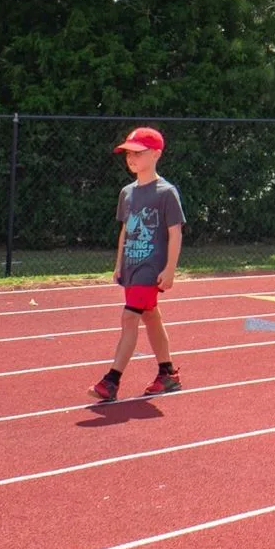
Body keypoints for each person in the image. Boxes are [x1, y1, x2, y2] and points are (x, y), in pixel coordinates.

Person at [90, 127, 185, 401]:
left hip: (150, 268)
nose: (131, 158)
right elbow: (125, 231)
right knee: (150, 316)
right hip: (132, 265)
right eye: (128, 154)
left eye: (137, 153)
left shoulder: (166, 192)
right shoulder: (127, 193)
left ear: (155, 154)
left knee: (130, 316)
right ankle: (167, 373)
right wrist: (119, 263)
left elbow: (175, 232)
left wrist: (170, 269)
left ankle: (112, 380)